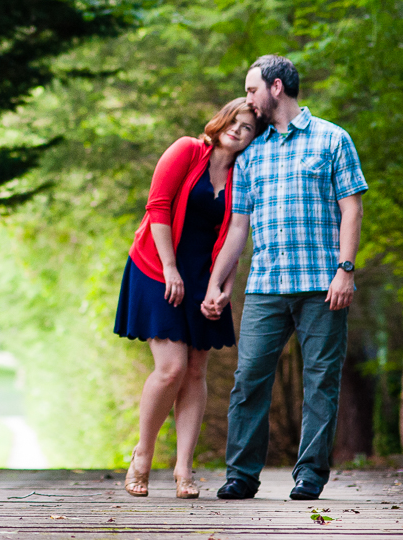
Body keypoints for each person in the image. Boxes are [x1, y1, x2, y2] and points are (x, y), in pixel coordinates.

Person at [202, 54, 367, 502]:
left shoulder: (333, 139)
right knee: (249, 378)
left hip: (322, 286)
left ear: (276, 87)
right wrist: (217, 283)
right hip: (265, 288)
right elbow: (239, 226)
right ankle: (241, 476)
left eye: (252, 89)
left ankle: (310, 476)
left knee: (320, 381)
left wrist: (345, 271)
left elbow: (352, 208)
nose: (248, 98)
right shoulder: (251, 153)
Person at [114, 98, 260, 498]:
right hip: (155, 266)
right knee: (172, 368)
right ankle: (142, 456)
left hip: (204, 277)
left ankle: (184, 471)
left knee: (196, 370)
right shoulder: (186, 150)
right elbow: (157, 208)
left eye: (248, 127)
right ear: (221, 120)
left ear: (254, 137)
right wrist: (170, 269)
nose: (237, 130)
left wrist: (223, 287)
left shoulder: (242, 175)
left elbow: (236, 234)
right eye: (234, 121)